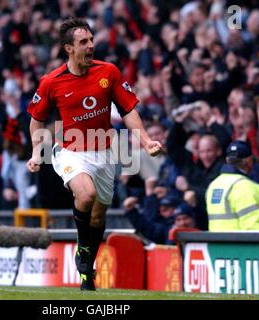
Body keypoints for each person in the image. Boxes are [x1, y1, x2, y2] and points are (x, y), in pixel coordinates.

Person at [26, 18, 163, 290]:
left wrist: (146, 142)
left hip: (103, 153)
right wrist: (35, 151)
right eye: (83, 42)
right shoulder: (51, 82)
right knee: (85, 194)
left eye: (91, 40)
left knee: (99, 217)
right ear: (69, 48)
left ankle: (87, 272)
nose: (91, 45)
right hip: (70, 152)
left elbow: (129, 111)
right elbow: (36, 119)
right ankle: (83, 249)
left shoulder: (108, 72)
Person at [205, 140, 259, 231]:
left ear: (227, 160)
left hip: (218, 244)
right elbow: (255, 229)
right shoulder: (247, 187)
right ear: (249, 161)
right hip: (239, 245)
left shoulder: (213, 185)